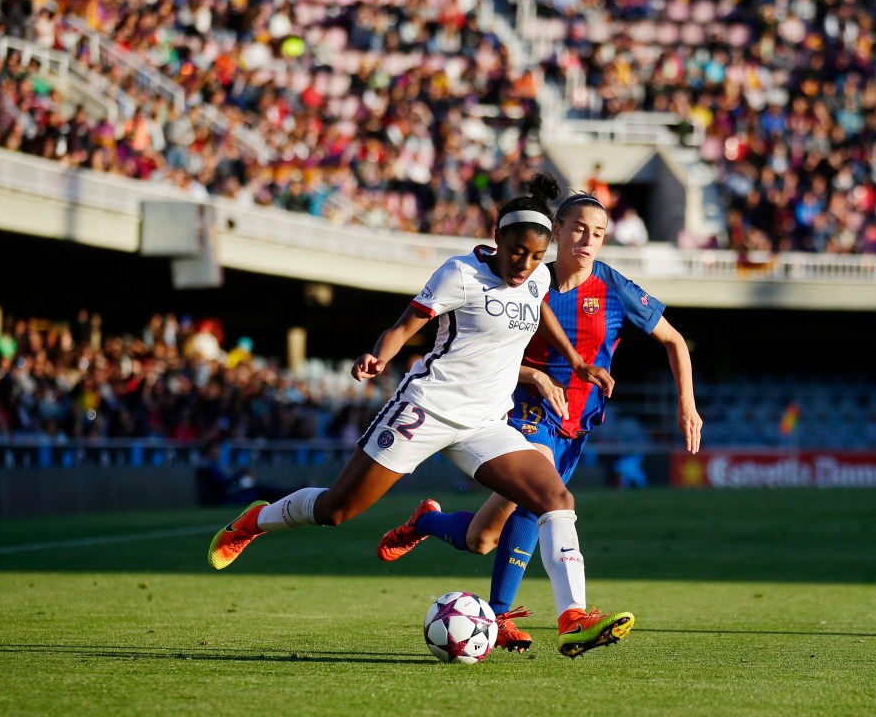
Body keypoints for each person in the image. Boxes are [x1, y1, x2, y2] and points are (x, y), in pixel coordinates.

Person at [207, 173, 636, 658]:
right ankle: (254, 521)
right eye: (517, 252)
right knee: (337, 511)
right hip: (426, 410)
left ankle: (573, 617)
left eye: (537, 256)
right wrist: (380, 356)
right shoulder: (459, 274)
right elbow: (407, 322)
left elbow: (538, 305)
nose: (526, 265)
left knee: (555, 497)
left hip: (486, 424)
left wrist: (576, 361)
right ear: (497, 238)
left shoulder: (537, 275)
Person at [377, 190, 703, 652]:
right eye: (578, 230)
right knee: (540, 496)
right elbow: (486, 351)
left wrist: (686, 404)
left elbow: (674, 341)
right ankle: (545, 616)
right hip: (520, 408)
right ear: (557, 233)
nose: (587, 241)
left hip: (577, 423)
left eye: (598, 234)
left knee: (483, 537)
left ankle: (427, 523)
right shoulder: (528, 278)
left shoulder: (612, 288)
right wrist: (532, 374)